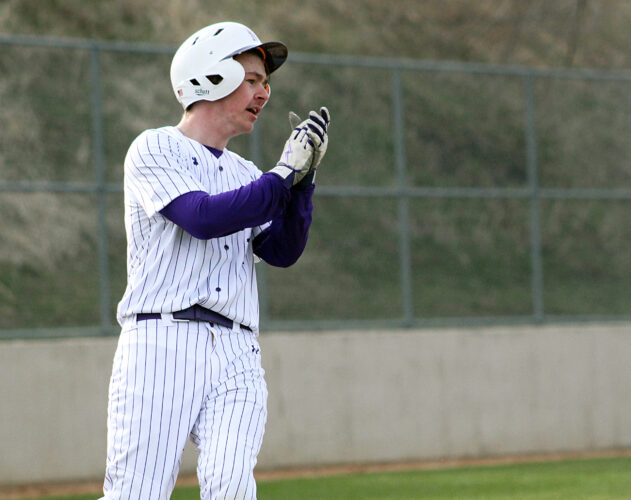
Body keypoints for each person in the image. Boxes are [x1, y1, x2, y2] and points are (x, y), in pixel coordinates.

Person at [100, 21, 330, 500]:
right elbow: (201, 217)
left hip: (236, 349)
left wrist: (302, 182)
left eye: (265, 82)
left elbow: (281, 250)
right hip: (161, 340)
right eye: (252, 79)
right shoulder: (155, 146)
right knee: (137, 493)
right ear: (208, 75)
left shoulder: (246, 173)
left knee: (232, 488)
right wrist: (282, 175)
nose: (264, 93)